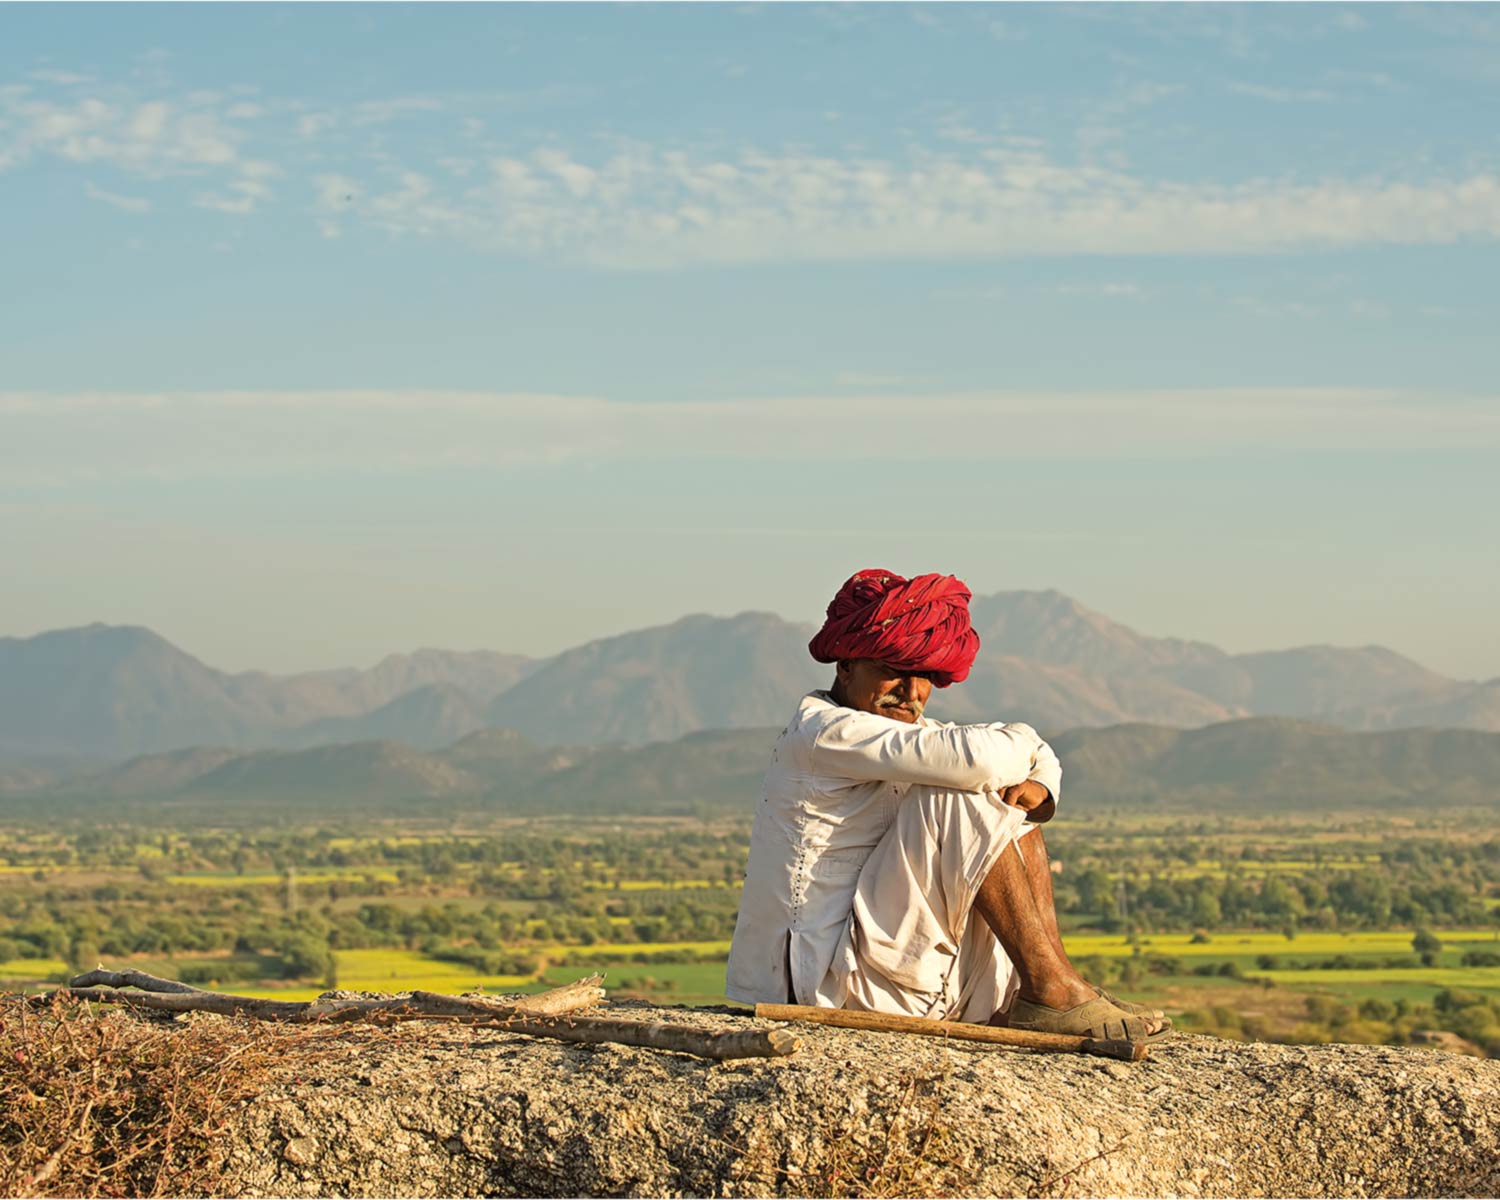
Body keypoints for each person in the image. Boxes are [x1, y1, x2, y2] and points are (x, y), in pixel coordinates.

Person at [725, 568, 1167, 1040]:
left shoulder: (909, 737)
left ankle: (1052, 986)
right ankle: (1052, 989)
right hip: (829, 983)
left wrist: (1037, 784)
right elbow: (981, 759)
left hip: (892, 968)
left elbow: (1033, 751)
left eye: (925, 676)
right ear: (846, 667)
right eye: (892, 670)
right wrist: (1021, 761)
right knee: (964, 793)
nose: (911, 692)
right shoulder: (826, 733)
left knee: (1006, 800)